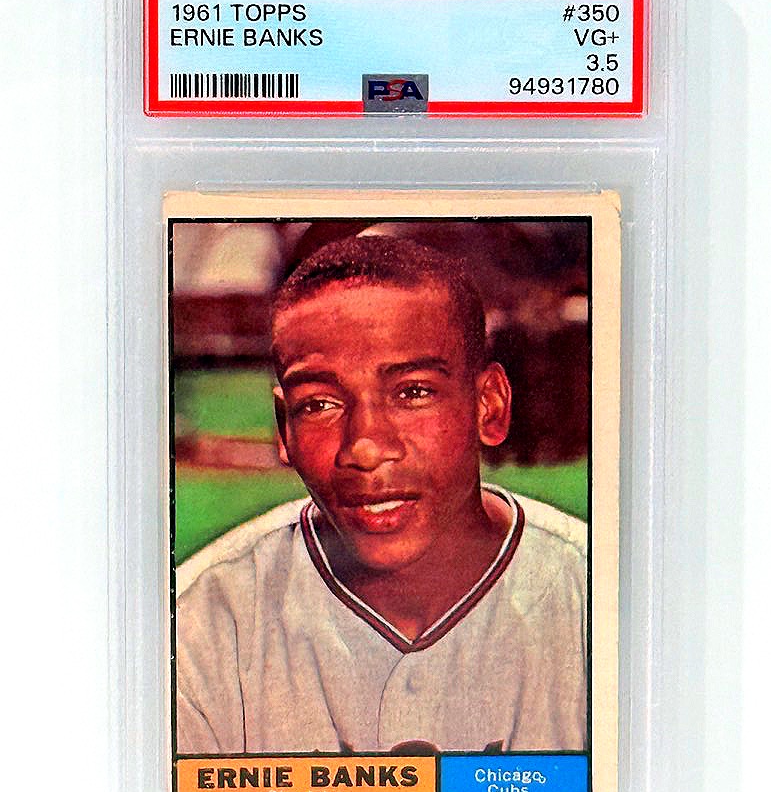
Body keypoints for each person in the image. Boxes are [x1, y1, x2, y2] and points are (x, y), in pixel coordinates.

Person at [176, 235, 587, 755]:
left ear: (490, 406)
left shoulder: (601, 601)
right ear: (284, 429)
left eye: (413, 392)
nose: (366, 448)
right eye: (319, 404)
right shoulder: (200, 624)